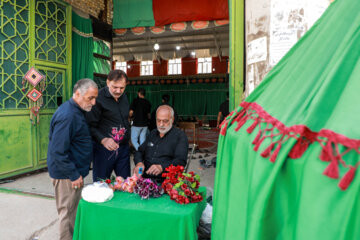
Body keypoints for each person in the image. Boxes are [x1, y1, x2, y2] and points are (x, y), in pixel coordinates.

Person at [47, 78, 98, 240]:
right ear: (77, 94)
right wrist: (73, 174)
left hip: (73, 172)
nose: (94, 102)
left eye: (95, 98)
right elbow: (58, 151)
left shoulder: (77, 111)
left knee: (73, 212)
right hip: (67, 175)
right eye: (90, 98)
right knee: (67, 214)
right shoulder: (68, 115)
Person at [86, 70, 131, 181]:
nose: (118, 91)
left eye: (122, 88)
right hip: (104, 150)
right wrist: (103, 140)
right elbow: (89, 125)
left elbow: (125, 119)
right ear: (107, 82)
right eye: (114, 87)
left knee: (126, 183)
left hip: (123, 148)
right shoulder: (98, 98)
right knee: (101, 185)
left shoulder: (124, 97)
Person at [133, 105, 188, 182]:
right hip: (145, 179)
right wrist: (139, 163)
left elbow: (180, 161)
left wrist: (162, 167)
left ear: (172, 120)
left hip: (166, 181)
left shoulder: (180, 136)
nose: (161, 124)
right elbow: (139, 151)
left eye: (165, 121)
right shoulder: (153, 133)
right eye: (158, 121)